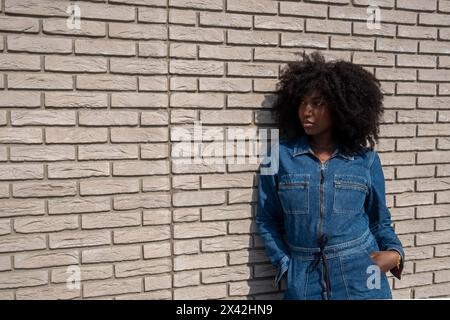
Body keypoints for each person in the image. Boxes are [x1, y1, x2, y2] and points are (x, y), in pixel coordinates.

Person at [256, 51, 404, 300]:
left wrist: (394, 253)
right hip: (304, 280)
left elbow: (380, 220)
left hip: (361, 276)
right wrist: (285, 265)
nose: (307, 111)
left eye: (317, 103)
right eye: (303, 103)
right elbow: (267, 219)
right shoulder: (279, 156)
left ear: (340, 107)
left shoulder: (365, 160)